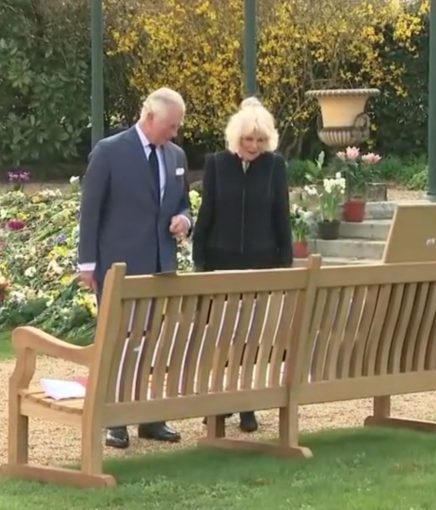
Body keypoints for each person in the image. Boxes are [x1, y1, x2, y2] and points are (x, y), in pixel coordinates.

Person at [77, 87, 193, 449]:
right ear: (149, 116)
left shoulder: (176, 155)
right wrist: (87, 264)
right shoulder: (110, 151)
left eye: (177, 127)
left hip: (161, 265)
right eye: (170, 126)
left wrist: (184, 221)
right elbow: (90, 210)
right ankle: (114, 420)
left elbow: (184, 202)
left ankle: (150, 417)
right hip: (118, 266)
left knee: (154, 344)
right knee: (118, 342)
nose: (174, 133)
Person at [191, 97, 293, 433]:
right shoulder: (217, 164)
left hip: (261, 262)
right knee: (220, 337)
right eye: (248, 139)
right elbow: (207, 212)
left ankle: (247, 404)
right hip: (222, 261)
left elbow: (281, 215)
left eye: (260, 141)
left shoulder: (275, 167)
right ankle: (217, 403)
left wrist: (285, 261)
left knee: (251, 338)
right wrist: (200, 258)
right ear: (237, 138)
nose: (253, 146)